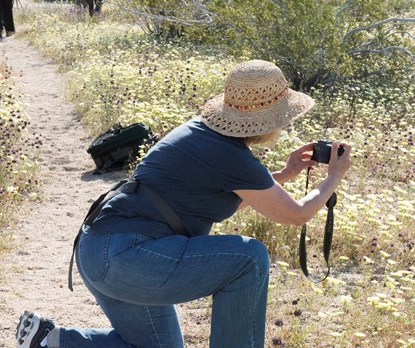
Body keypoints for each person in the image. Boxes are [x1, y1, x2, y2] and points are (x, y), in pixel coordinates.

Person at [15, 59, 353, 348]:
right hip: (127, 257)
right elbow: (296, 215)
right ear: (270, 119)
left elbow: (224, 203)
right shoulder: (230, 155)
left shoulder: (204, 135)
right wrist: (333, 178)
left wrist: (283, 174)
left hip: (100, 251)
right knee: (249, 259)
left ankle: (51, 339)